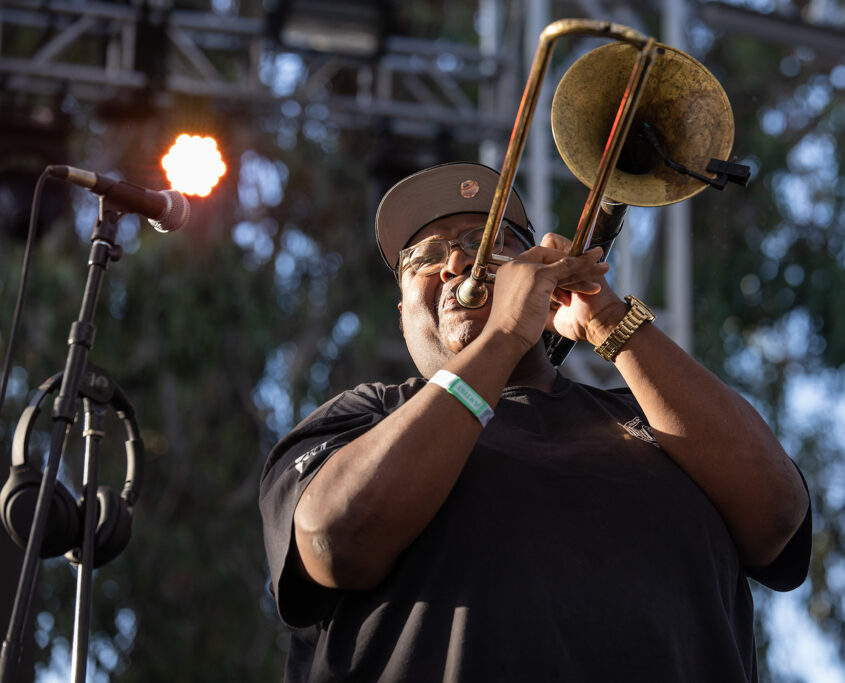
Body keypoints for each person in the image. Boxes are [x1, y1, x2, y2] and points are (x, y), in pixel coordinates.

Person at [259, 162, 811, 682]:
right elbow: (336, 540)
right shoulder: (364, 419)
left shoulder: (650, 414)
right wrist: (502, 336)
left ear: (537, 273)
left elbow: (777, 513)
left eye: (485, 243)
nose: (456, 263)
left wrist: (609, 318)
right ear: (401, 312)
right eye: (424, 257)